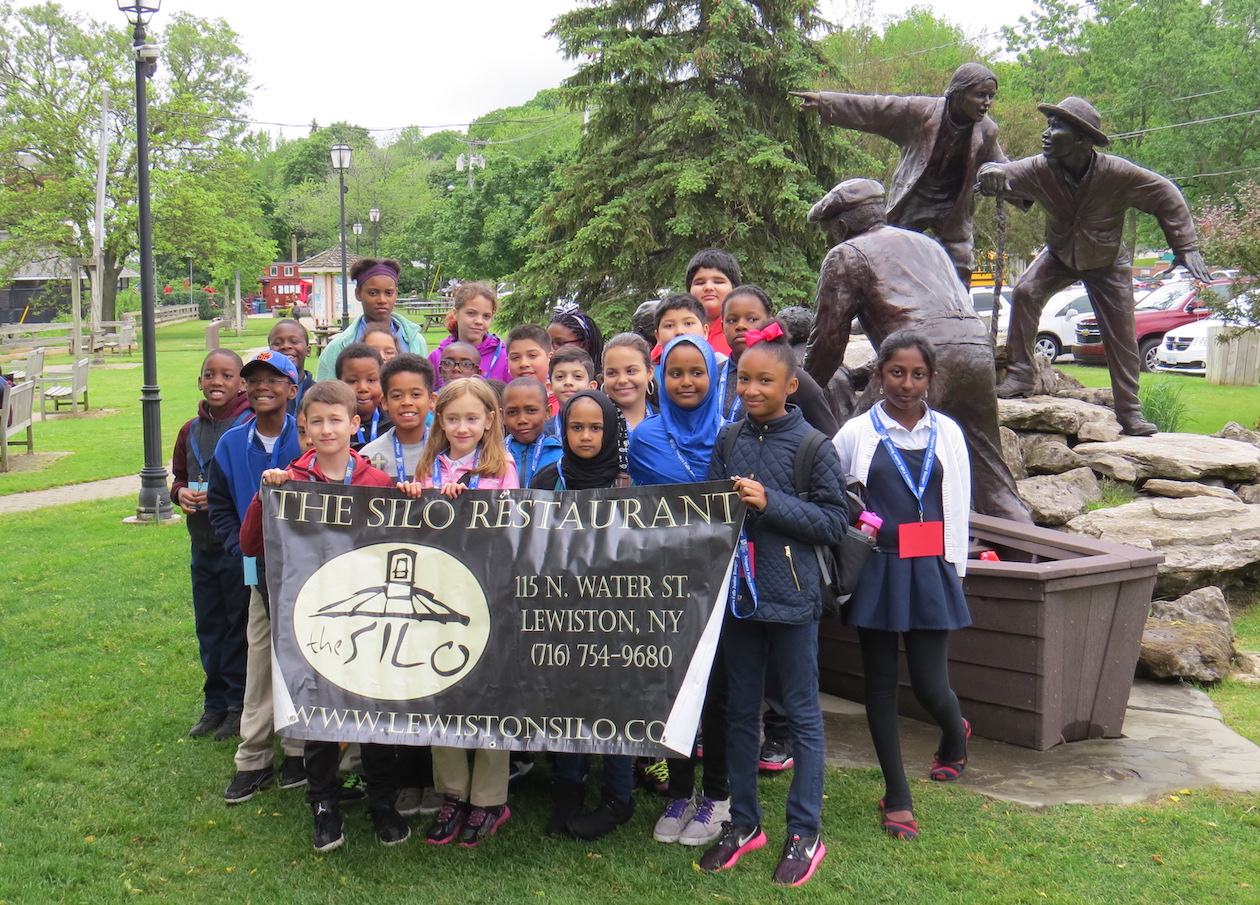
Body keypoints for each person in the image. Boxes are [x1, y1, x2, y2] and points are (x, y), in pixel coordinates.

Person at [699, 327, 847, 887]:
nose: (752, 389)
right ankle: (743, 823)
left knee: (803, 714)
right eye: (744, 379)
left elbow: (835, 523)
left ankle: (805, 831)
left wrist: (771, 502)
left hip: (794, 599)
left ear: (790, 385)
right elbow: (712, 508)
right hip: (740, 599)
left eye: (765, 380)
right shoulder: (729, 437)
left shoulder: (813, 446)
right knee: (740, 711)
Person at [240, 380, 409, 852]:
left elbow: (401, 543)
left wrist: (410, 497)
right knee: (319, 712)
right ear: (305, 428)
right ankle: (323, 802)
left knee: (375, 711)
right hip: (314, 616)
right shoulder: (289, 480)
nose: (327, 429)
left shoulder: (376, 482)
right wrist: (265, 496)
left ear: (354, 424)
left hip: (368, 615)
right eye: (317, 421)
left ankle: (381, 801)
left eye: (336, 420)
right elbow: (250, 544)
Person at [978, 96, 1210, 435]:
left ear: (1082, 140)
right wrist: (990, 173)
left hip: (1107, 261)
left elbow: (1166, 194)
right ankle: (1020, 374)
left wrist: (1185, 246)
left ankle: (1130, 411)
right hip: (1059, 254)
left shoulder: (1118, 173)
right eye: (1049, 125)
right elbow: (999, 170)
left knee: (1121, 331)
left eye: (1057, 127)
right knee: (1026, 291)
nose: (1047, 133)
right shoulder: (1040, 168)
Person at [802, 178, 1029, 522]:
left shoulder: (846, 254)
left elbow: (828, 343)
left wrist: (800, 389)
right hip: (975, 352)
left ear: (842, 228)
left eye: (827, 234)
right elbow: (927, 313)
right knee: (993, 479)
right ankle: (1028, 546)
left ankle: (860, 543)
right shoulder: (927, 244)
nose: (827, 242)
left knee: (855, 454)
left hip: (912, 361)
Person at [832, 331, 973, 844]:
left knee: (932, 685)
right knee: (880, 686)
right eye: (896, 372)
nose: (906, 384)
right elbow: (838, 497)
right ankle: (897, 795)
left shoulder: (948, 432)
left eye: (917, 375)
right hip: (876, 569)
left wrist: (957, 566)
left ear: (930, 379)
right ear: (878, 374)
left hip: (930, 565)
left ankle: (955, 734)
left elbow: (959, 500)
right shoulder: (855, 433)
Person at [398, 378, 519, 847]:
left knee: (489, 695)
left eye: (471, 418)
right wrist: (414, 496)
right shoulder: (429, 464)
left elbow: (511, 527)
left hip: (487, 594)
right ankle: (452, 792)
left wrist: (469, 505)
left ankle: (489, 798)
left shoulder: (501, 467)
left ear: (489, 420)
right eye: (452, 419)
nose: (462, 427)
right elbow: (418, 531)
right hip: (440, 592)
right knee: (441, 689)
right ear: (440, 421)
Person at [627, 335, 731, 847]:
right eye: (675, 372)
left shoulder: (731, 435)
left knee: (718, 693)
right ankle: (681, 791)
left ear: (713, 376)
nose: (686, 382)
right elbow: (645, 513)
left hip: (725, 580)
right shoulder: (645, 439)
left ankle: (718, 795)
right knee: (674, 689)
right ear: (660, 378)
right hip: (669, 579)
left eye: (696, 372)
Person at [792, 63, 1013, 286]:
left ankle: (958, 307)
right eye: (980, 95)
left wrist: (996, 172)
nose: (987, 102)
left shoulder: (987, 130)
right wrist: (826, 102)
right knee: (891, 257)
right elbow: (876, 108)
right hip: (914, 198)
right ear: (958, 93)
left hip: (953, 207)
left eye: (991, 96)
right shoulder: (920, 112)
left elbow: (1004, 167)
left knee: (961, 264)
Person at [530, 390, 636, 839]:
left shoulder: (630, 482)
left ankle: (618, 797)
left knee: (616, 703)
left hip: (616, 616)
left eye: (596, 428)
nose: (586, 436)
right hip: (560, 612)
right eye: (576, 427)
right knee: (567, 699)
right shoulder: (548, 477)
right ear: (563, 429)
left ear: (610, 431)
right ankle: (568, 789)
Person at [207, 350, 305, 804]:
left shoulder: (306, 436)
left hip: (305, 571)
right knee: (261, 662)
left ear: (292, 388)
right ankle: (253, 757)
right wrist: (239, 547)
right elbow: (220, 505)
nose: (263, 386)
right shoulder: (231, 443)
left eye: (274, 379)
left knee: (302, 658)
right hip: (258, 570)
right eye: (255, 379)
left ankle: (299, 750)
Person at [170, 349, 252, 740]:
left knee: (239, 627)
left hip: (235, 547)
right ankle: (214, 704)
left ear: (242, 384)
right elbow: (178, 476)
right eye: (209, 374)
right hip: (201, 545)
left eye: (227, 375)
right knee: (209, 626)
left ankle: (238, 705)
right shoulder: (190, 430)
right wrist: (180, 493)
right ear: (200, 381)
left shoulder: (248, 425)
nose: (217, 381)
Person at [316, 258, 426, 380]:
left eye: (389, 293)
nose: (382, 300)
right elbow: (326, 390)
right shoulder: (337, 348)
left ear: (396, 293)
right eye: (373, 293)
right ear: (358, 293)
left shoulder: (415, 342)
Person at [360, 354, 436, 483]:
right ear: (384, 402)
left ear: (431, 400)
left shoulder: (447, 451)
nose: (406, 402)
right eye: (397, 396)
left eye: (415, 394)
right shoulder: (369, 456)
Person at [429, 282, 510, 384]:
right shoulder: (437, 356)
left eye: (486, 316)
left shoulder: (504, 357)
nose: (479, 321)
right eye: (471, 313)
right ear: (455, 314)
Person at [601, 332, 655, 472]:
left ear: (650, 372)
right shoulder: (595, 424)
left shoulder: (666, 422)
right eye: (612, 373)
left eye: (631, 371)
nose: (622, 380)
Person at [503, 377, 563, 488]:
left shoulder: (560, 457)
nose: (522, 420)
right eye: (512, 412)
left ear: (547, 412)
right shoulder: (492, 456)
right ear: (502, 416)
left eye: (531, 410)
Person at [335, 344, 390, 449]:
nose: (363, 388)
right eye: (353, 381)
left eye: (371, 380)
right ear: (339, 383)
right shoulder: (333, 427)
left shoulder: (393, 425)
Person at [685, 248, 737, 355]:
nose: (708, 287)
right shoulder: (676, 331)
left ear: (734, 289)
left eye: (718, 282)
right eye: (700, 283)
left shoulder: (744, 333)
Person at [546, 346, 598, 436]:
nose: (568, 382)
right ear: (550, 387)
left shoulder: (602, 427)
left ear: (591, 386)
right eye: (560, 377)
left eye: (577, 376)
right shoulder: (543, 432)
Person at [267, 319, 315, 414]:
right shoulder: (262, 391)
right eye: (277, 343)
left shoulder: (320, 394)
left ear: (308, 350)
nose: (285, 346)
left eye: (294, 342)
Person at [548, 303, 605, 376]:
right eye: (547, 342)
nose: (550, 349)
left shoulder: (604, 380)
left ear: (583, 344)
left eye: (559, 343)